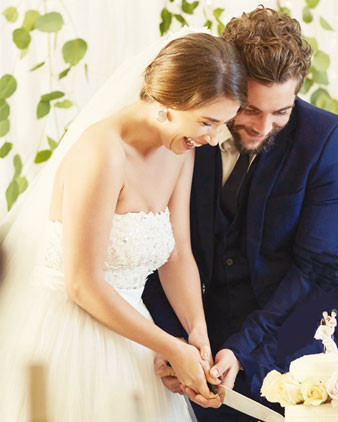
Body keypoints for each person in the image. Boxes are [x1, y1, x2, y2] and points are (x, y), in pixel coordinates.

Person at [0, 31, 247, 421]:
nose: (214, 139)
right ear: (168, 102)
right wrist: (172, 347)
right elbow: (81, 283)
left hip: (131, 331)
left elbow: (178, 253)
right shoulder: (102, 153)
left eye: (222, 125)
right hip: (69, 336)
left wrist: (196, 333)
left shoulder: (180, 149)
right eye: (208, 122)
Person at [143, 6, 338, 420]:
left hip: (304, 354)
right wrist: (172, 341)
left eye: (281, 112)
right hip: (206, 363)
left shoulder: (328, 140)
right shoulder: (186, 134)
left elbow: (318, 267)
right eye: (249, 109)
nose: (263, 128)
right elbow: (158, 245)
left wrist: (242, 349)